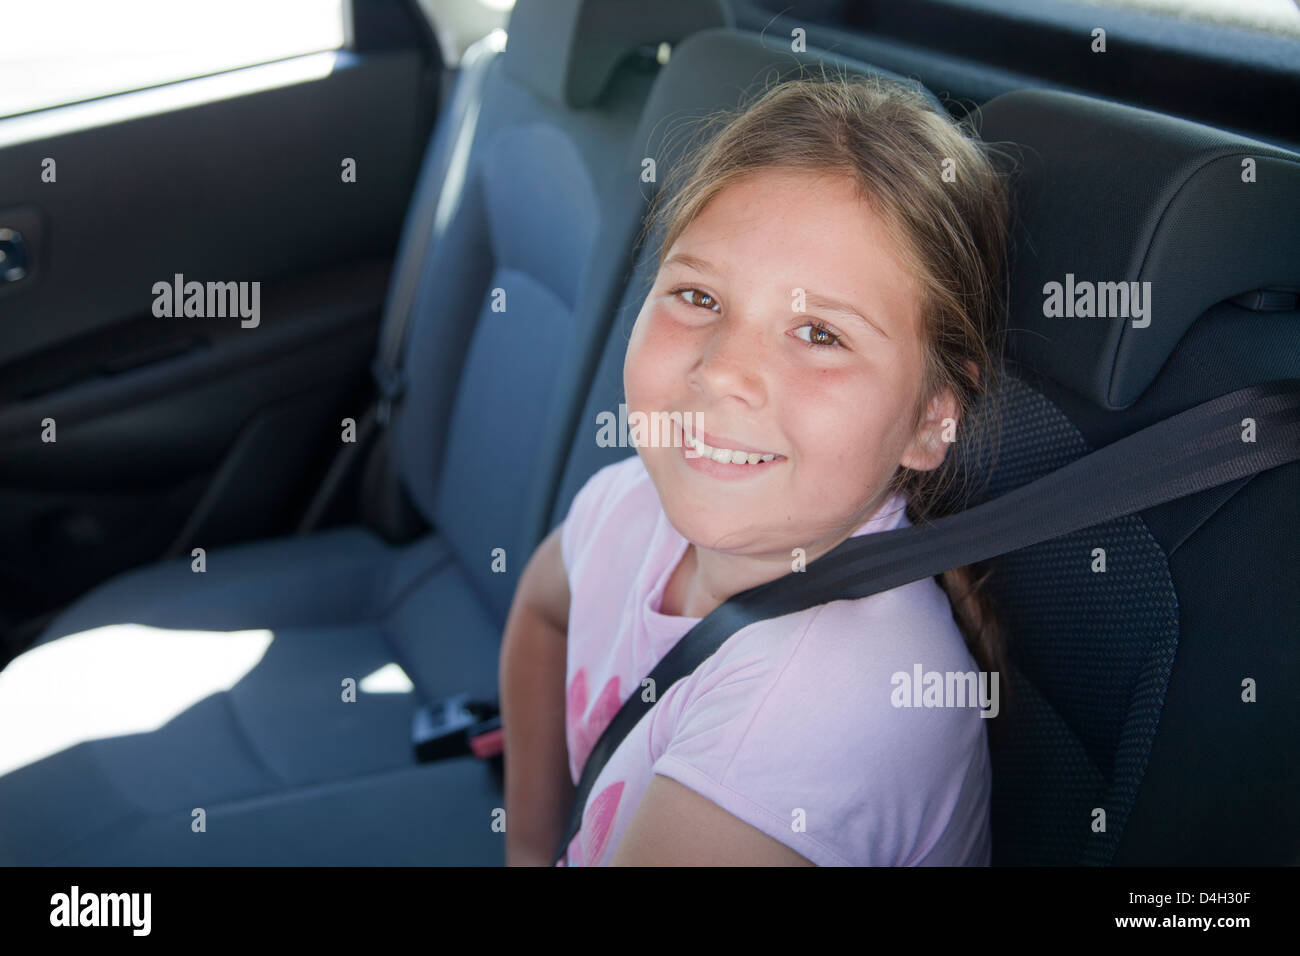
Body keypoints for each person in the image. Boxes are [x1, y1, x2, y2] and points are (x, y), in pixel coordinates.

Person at [501, 74, 1013, 866]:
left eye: (818, 334)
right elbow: (541, 611)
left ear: (931, 417)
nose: (725, 370)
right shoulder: (625, 506)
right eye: (698, 295)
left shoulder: (828, 706)